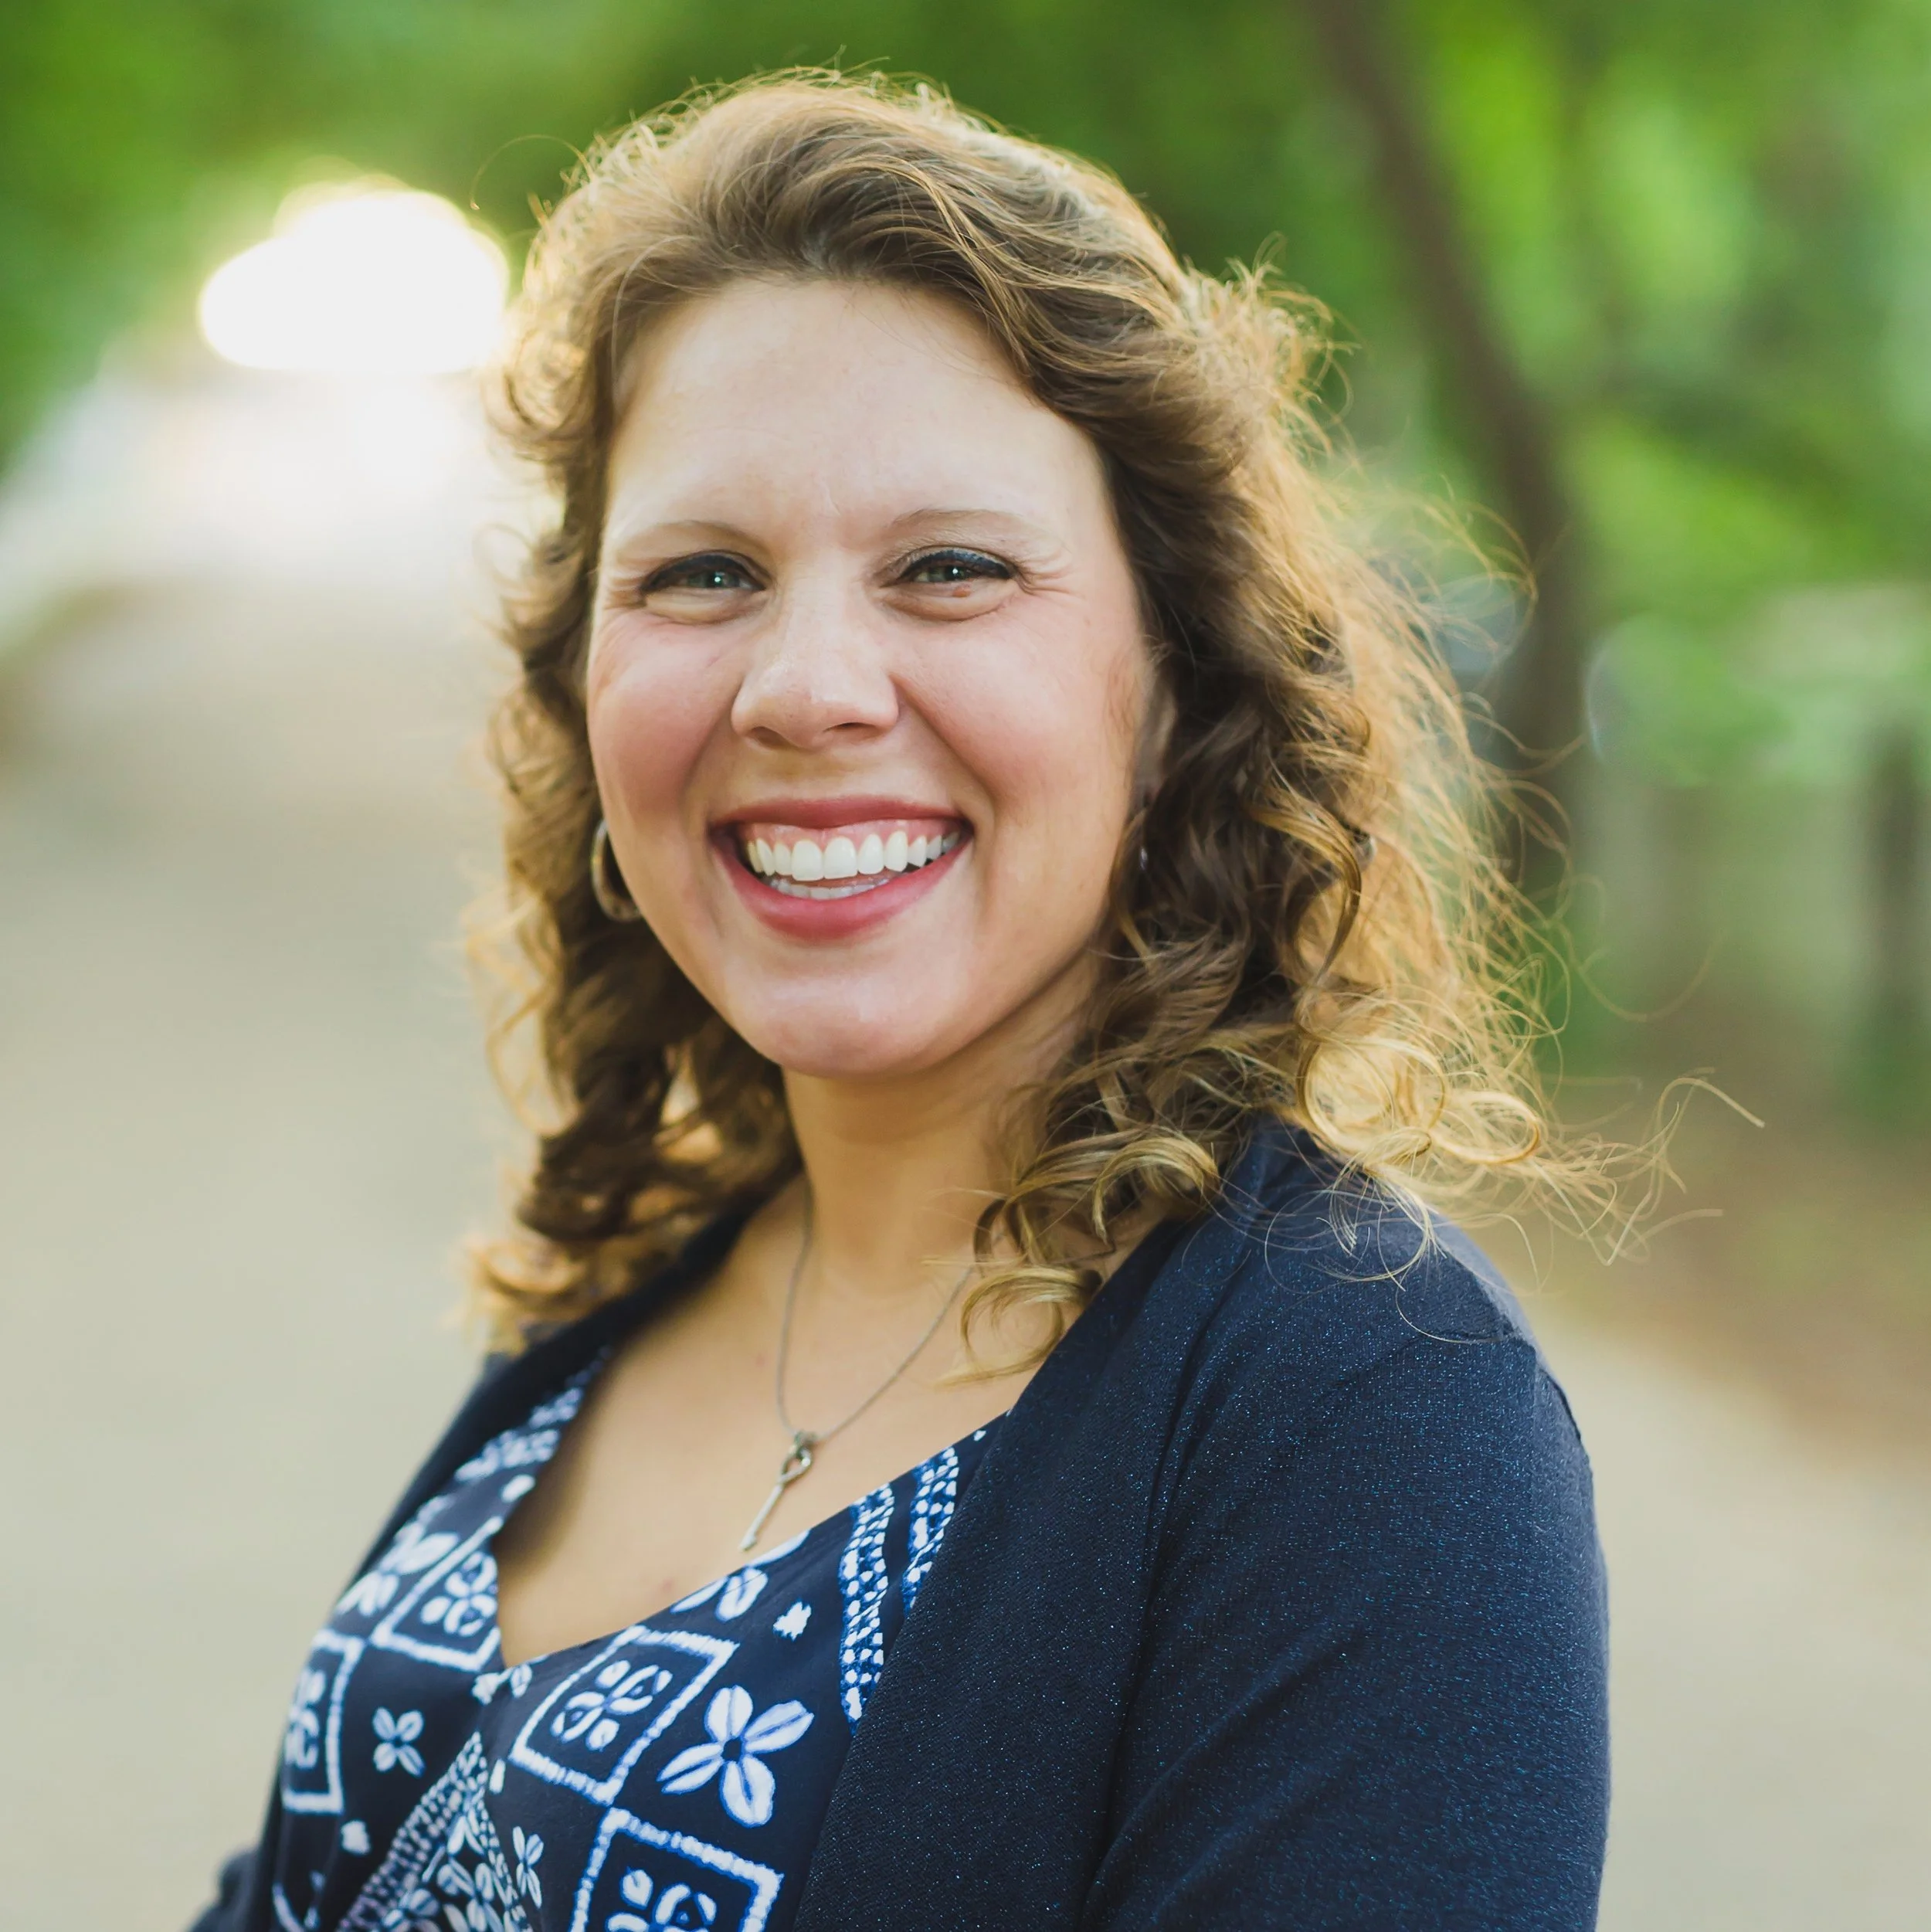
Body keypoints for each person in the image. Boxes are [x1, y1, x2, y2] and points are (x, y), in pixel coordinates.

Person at [193, 72, 1610, 1932]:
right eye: (702, 573)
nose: (805, 686)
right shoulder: (637, 1282)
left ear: (1174, 682)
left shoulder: (1362, 1413)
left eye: (948, 568)